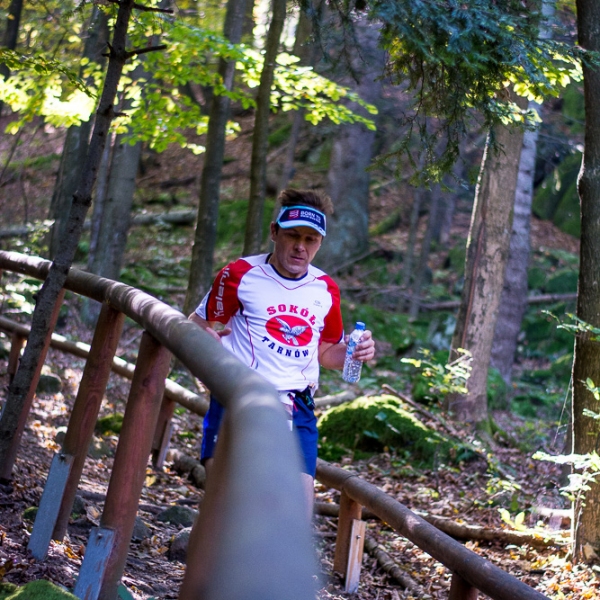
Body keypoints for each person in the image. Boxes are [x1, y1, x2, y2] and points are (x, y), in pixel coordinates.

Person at [189, 189, 375, 518]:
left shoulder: (326, 288)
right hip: (238, 394)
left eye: (310, 239)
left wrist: (355, 352)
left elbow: (326, 352)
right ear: (275, 232)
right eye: (293, 235)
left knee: (296, 515)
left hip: (296, 405)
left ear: (320, 243)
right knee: (226, 506)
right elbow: (197, 324)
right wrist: (205, 345)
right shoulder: (239, 274)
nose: (300, 246)